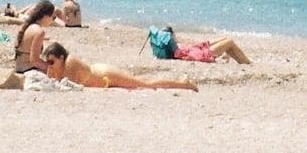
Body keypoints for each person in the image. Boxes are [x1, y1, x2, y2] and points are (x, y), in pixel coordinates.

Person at [38, 41, 197, 92]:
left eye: (52, 61)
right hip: (100, 74)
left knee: (145, 84)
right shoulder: (58, 67)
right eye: (48, 62)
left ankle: (184, 84)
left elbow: (67, 85)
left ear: (61, 57)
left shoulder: (70, 62)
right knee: (142, 83)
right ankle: (182, 83)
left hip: (105, 74)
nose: (50, 65)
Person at [170, 34, 251, 64]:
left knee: (225, 39)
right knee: (229, 42)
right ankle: (247, 61)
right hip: (204, 54)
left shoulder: (176, 47)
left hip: (201, 49)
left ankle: (237, 58)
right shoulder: (177, 49)